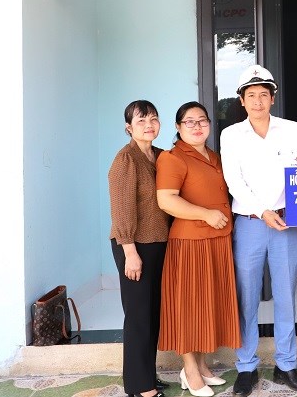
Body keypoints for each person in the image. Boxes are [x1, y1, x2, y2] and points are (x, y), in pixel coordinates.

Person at [220, 65, 297, 397]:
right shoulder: (231, 135)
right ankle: (245, 366)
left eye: (264, 95)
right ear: (242, 101)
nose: (258, 101)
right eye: (251, 96)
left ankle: (286, 364)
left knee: (286, 295)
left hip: (286, 222)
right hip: (250, 224)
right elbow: (234, 181)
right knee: (246, 295)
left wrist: (293, 207)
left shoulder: (290, 129)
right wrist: (263, 210)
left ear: (272, 98)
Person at [156, 102, 241, 397]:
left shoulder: (213, 156)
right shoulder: (173, 157)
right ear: (178, 127)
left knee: (208, 305)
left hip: (217, 241)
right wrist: (205, 214)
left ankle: (202, 366)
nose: (196, 126)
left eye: (202, 120)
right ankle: (189, 370)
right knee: (189, 308)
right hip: (191, 243)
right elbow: (166, 200)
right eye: (189, 121)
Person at [108, 100, 170, 397]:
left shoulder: (159, 156)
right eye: (142, 119)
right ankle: (140, 386)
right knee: (138, 316)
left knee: (152, 313)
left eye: (154, 118)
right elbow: (122, 210)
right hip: (133, 245)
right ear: (128, 127)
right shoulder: (126, 159)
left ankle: (148, 375)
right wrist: (130, 253)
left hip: (158, 243)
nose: (149, 124)